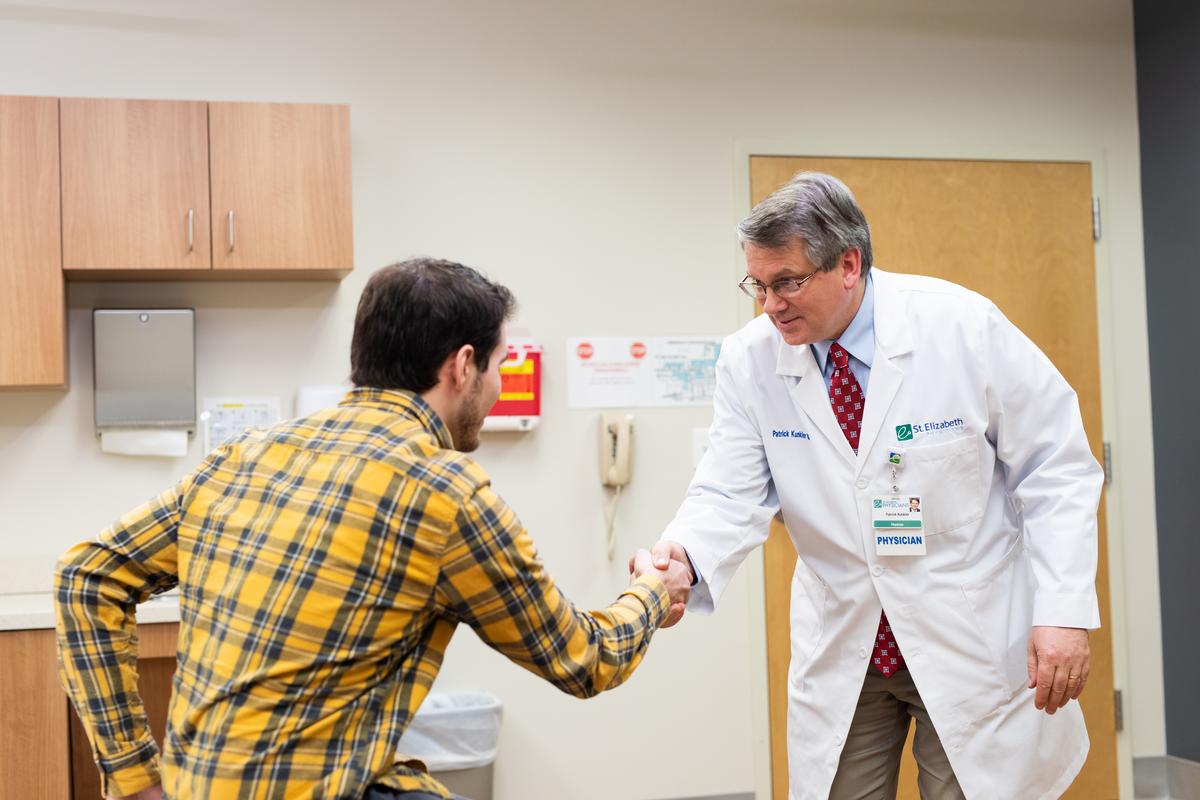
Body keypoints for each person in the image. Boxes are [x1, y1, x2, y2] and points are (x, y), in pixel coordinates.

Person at [56, 258, 691, 800]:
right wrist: (653, 592)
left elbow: (85, 575)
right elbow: (582, 660)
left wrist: (134, 774)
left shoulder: (244, 456)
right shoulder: (444, 492)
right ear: (462, 366)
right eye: (499, 365)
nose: (498, 387)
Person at [647, 173, 1103, 799]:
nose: (770, 304)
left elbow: (1057, 467)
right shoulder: (749, 361)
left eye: (787, 282)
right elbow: (728, 492)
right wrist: (684, 562)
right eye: (759, 284)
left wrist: (1063, 611)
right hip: (848, 640)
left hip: (966, 634)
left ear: (849, 264)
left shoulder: (961, 327)